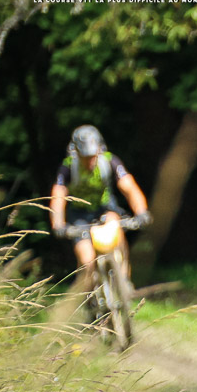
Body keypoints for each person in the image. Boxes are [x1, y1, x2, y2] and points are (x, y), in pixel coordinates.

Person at [48, 125, 152, 293]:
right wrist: (58, 224)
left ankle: (124, 280)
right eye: (85, 157)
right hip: (79, 215)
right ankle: (89, 298)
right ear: (76, 153)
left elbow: (129, 187)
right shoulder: (67, 167)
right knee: (87, 260)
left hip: (105, 209)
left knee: (116, 229)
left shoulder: (110, 161)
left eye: (93, 156)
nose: (89, 161)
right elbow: (58, 197)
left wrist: (141, 212)